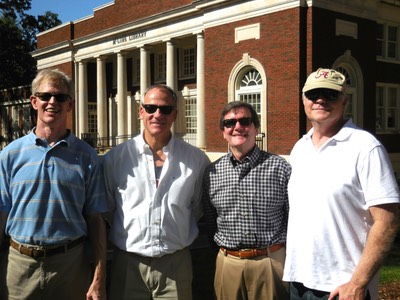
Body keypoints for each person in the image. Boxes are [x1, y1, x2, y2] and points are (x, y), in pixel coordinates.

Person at [283, 68, 400, 300]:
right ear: (303, 99)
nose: (320, 100)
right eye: (313, 93)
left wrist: (357, 283)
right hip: (299, 281)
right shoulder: (300, 147)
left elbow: (388, 222)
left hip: (342, 288)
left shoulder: (365, 147)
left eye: (330, 94)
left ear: (344, 100)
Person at [0, 69, 108, 300]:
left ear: (70, 104)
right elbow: (1, 215)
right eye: (46, 96)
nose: (52, 102)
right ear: (34, 101)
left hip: (70, 265)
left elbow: (95, 220)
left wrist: (99, 278)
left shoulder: (87, 156)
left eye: (60, 97)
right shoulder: (10, 155)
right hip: (19, 265)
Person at [103, 84, 210, 299]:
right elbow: (108, 209)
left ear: (175, 115)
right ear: (141, 111)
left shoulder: (196, 160)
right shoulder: (116, 159)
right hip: (128, 264)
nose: (157, 114)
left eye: (165, 109)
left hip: (176, 265)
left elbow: (197, 208)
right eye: (151, 108)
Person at [202, 101, 291, 300]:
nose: (237, 127)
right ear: (223, 131)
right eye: (229, 123)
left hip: (270, 262)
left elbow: (292, 217)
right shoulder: (212, 173)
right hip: (228, 263)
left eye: (245, 121)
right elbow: (210, 220)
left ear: (255, 128)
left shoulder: (280, 168)